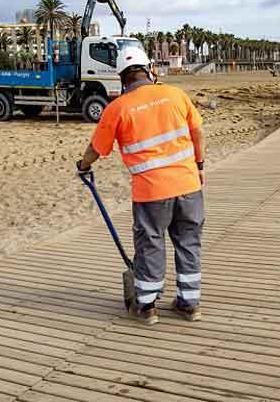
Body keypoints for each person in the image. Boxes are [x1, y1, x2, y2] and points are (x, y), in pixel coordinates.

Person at [76, 48, 206, 326]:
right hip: (188, 184)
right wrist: (201, 165)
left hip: (151, 192)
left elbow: (96, 148)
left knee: (150, 244)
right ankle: (189, 304)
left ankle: (146, 307)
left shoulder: (117, 108)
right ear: (149, 70)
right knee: (188, 243)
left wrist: (84, 166)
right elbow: (198, 132)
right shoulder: (175, 95)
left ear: (122, 78)